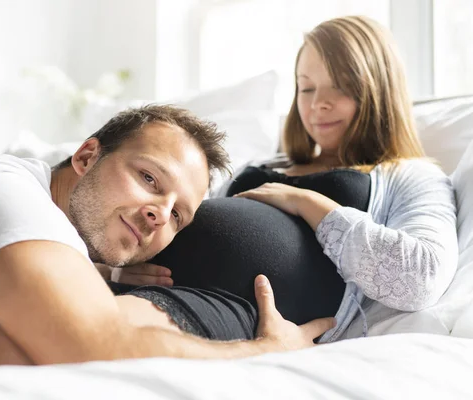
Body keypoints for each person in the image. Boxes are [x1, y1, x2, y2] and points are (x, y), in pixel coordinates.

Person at [0, 104, 334, 372]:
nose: (159, 214)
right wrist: (267, 352)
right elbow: (96, 346)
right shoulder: (10, 202)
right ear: (86, 155)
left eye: (178, 215)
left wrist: (98, 271)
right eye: (149, 178)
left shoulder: (30, 212)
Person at [115, 15, 459, 342]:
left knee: (100, 333)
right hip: (155, 286)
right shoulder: (261, 163)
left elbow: (421, 277)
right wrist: (122, 265)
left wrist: (306, 203)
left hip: (234, 310)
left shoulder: (412, 174)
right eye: (306, 89)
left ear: (378, 90)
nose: (318, 104)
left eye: (339, 87)